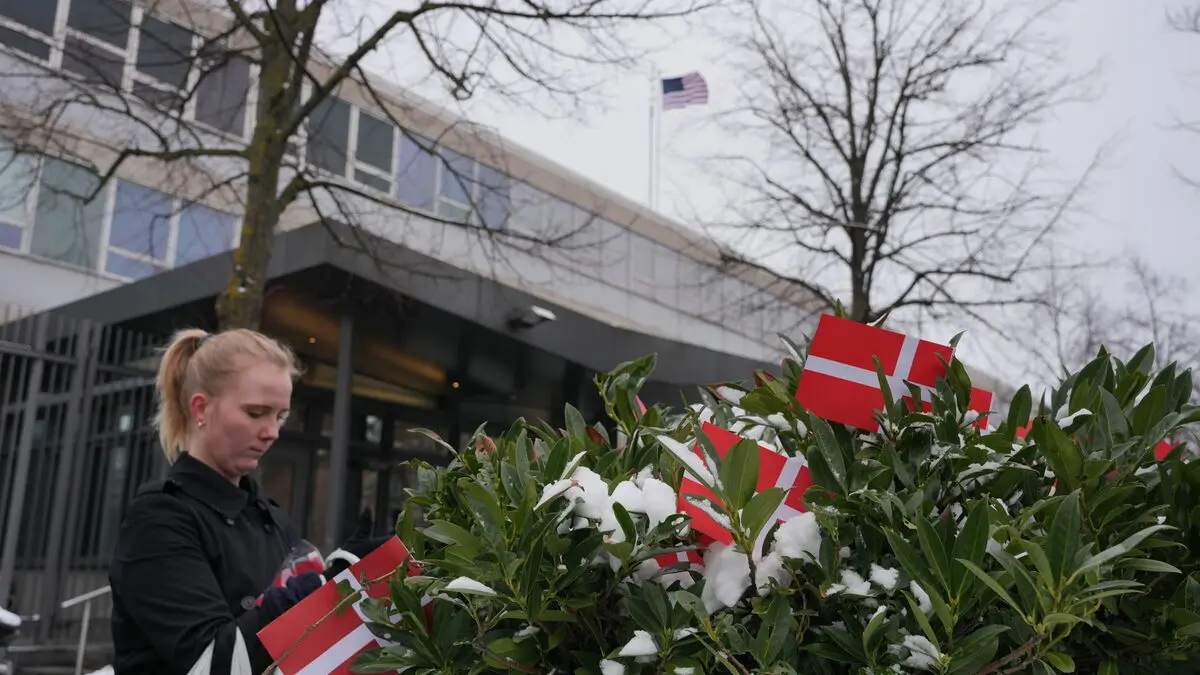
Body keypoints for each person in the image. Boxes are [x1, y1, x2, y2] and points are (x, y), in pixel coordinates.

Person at [107, 328, 382, 675]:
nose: (273, 432)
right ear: (201, 408)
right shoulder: (159, 520)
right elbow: (214, 666)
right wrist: (330, 586)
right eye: (256, 413)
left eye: (280, 416)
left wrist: (359, 580)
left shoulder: (269, 514)